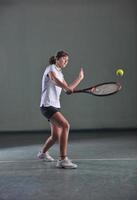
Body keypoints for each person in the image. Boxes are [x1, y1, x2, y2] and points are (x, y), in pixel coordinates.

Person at [37, 50, 84, 169]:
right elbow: (53, 80)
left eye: (67, 60)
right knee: (65, 125)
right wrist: (66, 88)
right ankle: (63, 159)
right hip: (47, 105)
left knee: (55, 136)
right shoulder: (51, 68)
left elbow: (68, 89)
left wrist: (79, 78)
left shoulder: (60, 73)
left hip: (54, 105)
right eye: (64, 59)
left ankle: (42, 153)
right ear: (57, 59)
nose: (66, 62)